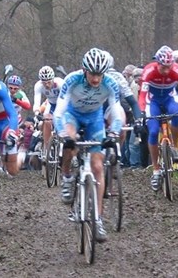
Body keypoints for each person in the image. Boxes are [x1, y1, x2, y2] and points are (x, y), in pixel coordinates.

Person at [53, 47, 123, 242]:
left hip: (95, 119)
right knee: (70, 142)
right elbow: (58, 112)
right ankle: (67, 177)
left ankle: (98, 219)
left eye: (99, 74)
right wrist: (62, 134)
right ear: (84, 70)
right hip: (72, 116)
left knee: (98, 166)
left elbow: (116, 111)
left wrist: (114, 133)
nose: (96, 79)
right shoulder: (71, 81)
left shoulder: (110, 84)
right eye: (92, 74)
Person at [138, 45, 178, 191]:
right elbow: (142, 96)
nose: (166, 70)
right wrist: (142, 111)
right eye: (163, 67)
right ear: (157, 63)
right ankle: (155, 169)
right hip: (153, 100)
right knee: (153, 132)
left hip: (169, 98)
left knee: (176, 116)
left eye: (169, 66)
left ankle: (174, 146)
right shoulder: (148, 70)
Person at [32, 66, 64, 158]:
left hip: (62, 105)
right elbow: (36, 102)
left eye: (49, 82)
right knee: (46, 120)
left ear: (53, 79)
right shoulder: (38, 85)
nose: (46, 85)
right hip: (51, 105)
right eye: (44, 82)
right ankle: (47, 148)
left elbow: (67, 100)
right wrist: (37, 113)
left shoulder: (60, 83)